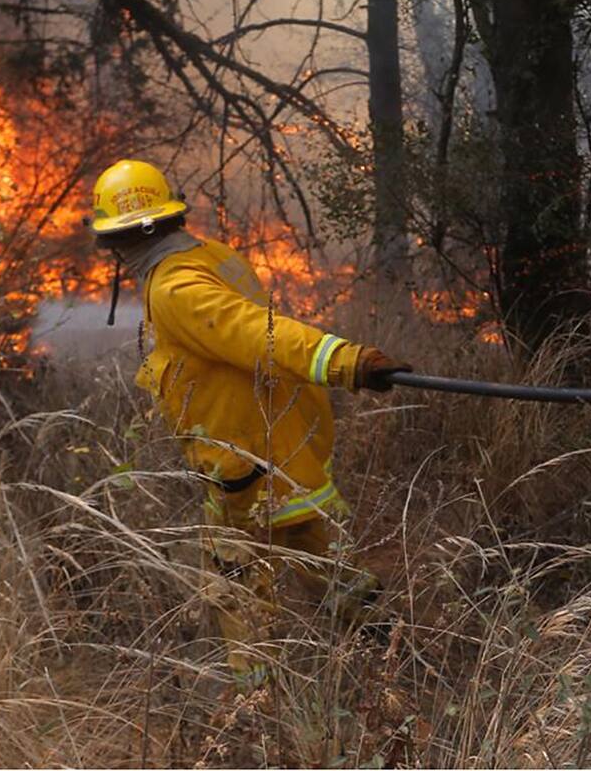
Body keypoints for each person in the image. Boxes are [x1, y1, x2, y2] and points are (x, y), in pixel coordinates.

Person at [88, 159, 410, 690]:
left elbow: (255, 333)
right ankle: (389, 646)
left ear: (118, 238)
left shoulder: (175, 289)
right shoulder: (205, 256)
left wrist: (344, 361)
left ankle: (255, 706)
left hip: (245, 454)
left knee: (232, 582)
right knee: (314, 550)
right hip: (278, 436)